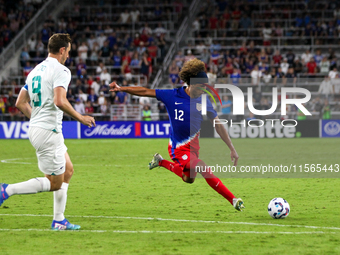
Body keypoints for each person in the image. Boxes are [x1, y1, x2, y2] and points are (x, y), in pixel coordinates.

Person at [109, 58, 244, 211]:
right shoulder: (173, 96)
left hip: (193, 148)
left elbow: (218, 124)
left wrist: (232, 148)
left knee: (188, 179)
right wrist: (121, 89)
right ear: (191, 83)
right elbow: (146, 91)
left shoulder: (204, 101)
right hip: (178, 148)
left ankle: (160, 162)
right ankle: (233, 200)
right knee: (202, 167)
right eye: (201, 86)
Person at [0, 33, 96, 230]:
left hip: (42, 129)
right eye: (68, 51)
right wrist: (81, 117)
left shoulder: (35, 71)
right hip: (48, 132)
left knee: (68, 170)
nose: (68, 55)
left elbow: (20, 102)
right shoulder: (61, 70)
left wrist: (36, 119)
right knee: (54, 183)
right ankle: (6, 190)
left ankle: (59, 220)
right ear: (62, 50)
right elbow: (59, 101)